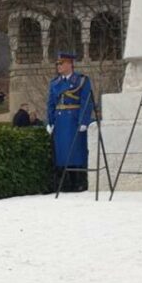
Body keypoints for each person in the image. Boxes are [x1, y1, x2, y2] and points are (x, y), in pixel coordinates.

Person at [47, 52, 95, 192]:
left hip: (74, 120)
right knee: (61, 152)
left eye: (61, 63)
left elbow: (86, 101)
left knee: (76, 151)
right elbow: (50, 103)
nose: (58, 66)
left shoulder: (81, 80)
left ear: (69, 64)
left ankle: (79, 182)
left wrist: (83, 121)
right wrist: (50, 122)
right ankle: (64, 183)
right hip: (60, 121)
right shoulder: (55, 82)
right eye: (58, 64)